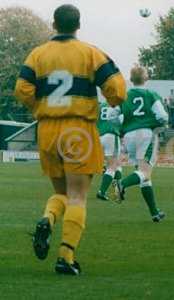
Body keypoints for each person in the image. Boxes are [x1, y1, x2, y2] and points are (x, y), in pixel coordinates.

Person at [14, 4, 126, 275]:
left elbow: (21, 89)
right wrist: (109, 99)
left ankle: (48, 218)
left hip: (47, 129)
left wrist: (40, 106)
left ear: (54, 24)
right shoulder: (90, 52)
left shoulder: (37, 54)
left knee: (61, 193)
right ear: (78, 25)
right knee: (77, 196)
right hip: (78, 129)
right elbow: (117, 91)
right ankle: (65, 257)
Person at [115, 65, 167, 222]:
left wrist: (125, 125)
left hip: (129, 137)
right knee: (145, 172)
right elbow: (163, 116)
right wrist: (159, 125)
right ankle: (121, 184)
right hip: (146, 134)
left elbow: (115, 117)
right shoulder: (151, 94)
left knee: (144, 176)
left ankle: (154, 212)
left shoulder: (124, 96)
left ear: (130, 79)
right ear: (147, 78)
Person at [96, 101, 123, 201]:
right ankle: (102, 192)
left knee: (117, 164)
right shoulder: (118, 105)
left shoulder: (101, 105)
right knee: (112, 166)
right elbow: (121, 120)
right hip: (111, 135)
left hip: (99, 136)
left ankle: (119, 190)